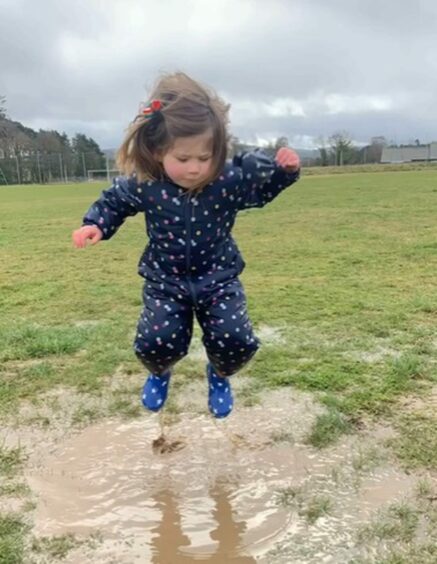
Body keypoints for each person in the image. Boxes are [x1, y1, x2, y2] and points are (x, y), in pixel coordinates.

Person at [72, 72, 300, 419]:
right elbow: (115, 201)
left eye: (204, 157)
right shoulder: (146, 183)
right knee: (155, 342)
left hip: (219, 278)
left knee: (236, 340)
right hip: (166, 281)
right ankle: (160, 372)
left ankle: (219, 375)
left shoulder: (227, 180)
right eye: (183, 159)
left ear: (217, 152)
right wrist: (96, 224)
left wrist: (284, 173)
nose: (194, 168)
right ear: (159, 150)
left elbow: (261, 193)